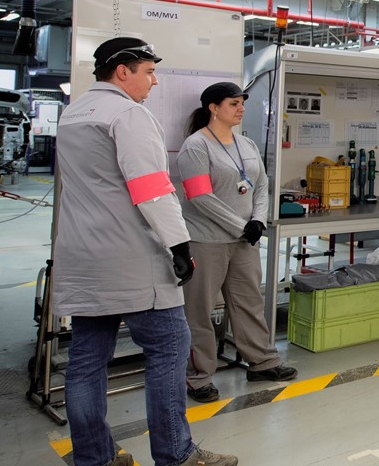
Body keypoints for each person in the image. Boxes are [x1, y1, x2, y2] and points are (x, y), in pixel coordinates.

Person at [53, 37, 238, 466]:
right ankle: (176, 454)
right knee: (171, 347)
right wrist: (179, 243)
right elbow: (152, 190)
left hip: (82, 256)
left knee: (85, 360)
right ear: (123, 71)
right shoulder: (128, 115)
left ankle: (95, 458)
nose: (154, 81)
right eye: (148, 71)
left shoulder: (73, 114)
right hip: (132, 258)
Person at [177, 82, 298, 404]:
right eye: (233, 103)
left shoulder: (246, 143)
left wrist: (257, 220)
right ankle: (198, 377)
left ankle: (262, 361)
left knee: (249, 302)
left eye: (242, 102)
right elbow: (199, 196)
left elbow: (261, 184)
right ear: (213, 108)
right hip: (206, 240)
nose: (241, 108)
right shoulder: (196, 146)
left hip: (244, 240)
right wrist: (241, 226)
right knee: (199, 310)